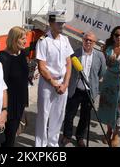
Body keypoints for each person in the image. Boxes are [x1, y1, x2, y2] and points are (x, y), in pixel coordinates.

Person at [35, 11, 73, 147]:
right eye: (59, 22)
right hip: (48, 83)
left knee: (58, 115)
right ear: (51, 23)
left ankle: (52, 143)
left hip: (63, 82)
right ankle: (40, 145)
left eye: (63, 22)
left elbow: (69, 63)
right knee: (43, 116)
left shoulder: (65, 40)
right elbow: (42, 67)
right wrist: (54, 84)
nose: (62, 24)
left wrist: (66, 83)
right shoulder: (43, 40)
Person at [61, 31, 106, 147]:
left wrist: (94, 83)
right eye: (86, 39)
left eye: (91, 40)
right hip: (75, 90)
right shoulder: (74, 54)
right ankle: (67, 136)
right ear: (83, 40)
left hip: (89, 91)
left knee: (85, 117)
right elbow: (68, 71)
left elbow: (101, 73)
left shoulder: (100, 56)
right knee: (69, 115)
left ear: (94, 43)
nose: (88, 42)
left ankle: (80, 137)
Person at [0, 26, 29, 147]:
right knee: (7, 139)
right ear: (14, 40)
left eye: (25, 38)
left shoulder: (22, 54)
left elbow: (22, 80)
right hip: (8, 104)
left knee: (12, 137)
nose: (25, 41)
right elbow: (1, 85)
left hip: (19, 103)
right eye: (22, 38)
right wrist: (3, 110)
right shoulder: (3, 58)